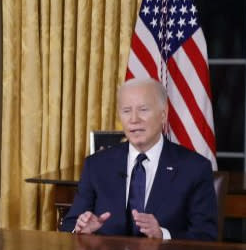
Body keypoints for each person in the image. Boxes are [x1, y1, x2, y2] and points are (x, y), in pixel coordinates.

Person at [60, 78, 218, 241]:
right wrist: (81, 230)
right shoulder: (96, 165)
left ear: (163, 114)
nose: (134, 119)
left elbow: (205, 237)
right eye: (126, 111)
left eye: (143, 109)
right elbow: (69, 225)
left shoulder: (194, 168)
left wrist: (163, 235)